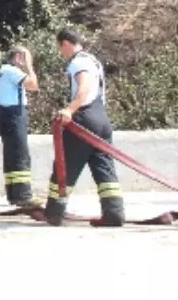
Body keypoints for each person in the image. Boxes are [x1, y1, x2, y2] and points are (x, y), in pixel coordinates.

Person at [44, 28, 125, 227]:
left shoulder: (78, 62)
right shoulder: (93, 60)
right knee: (103, 167)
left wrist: (69, 110)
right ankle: (113, 212)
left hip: (85, 117)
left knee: (65, 163)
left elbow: (84, 88)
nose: (60, 52)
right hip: (102, 119)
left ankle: (55, 212)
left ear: (65, 43)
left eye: (59, 47)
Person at [0, 45, 40, 206]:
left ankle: (14, 194)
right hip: (14, 114)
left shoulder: (3, 70)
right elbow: (33, 85)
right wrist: (30, 66)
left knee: (11, 154)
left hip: (5, 114)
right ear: (18, 57)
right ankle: (23, 195)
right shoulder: (12, 71)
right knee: (20, 154)